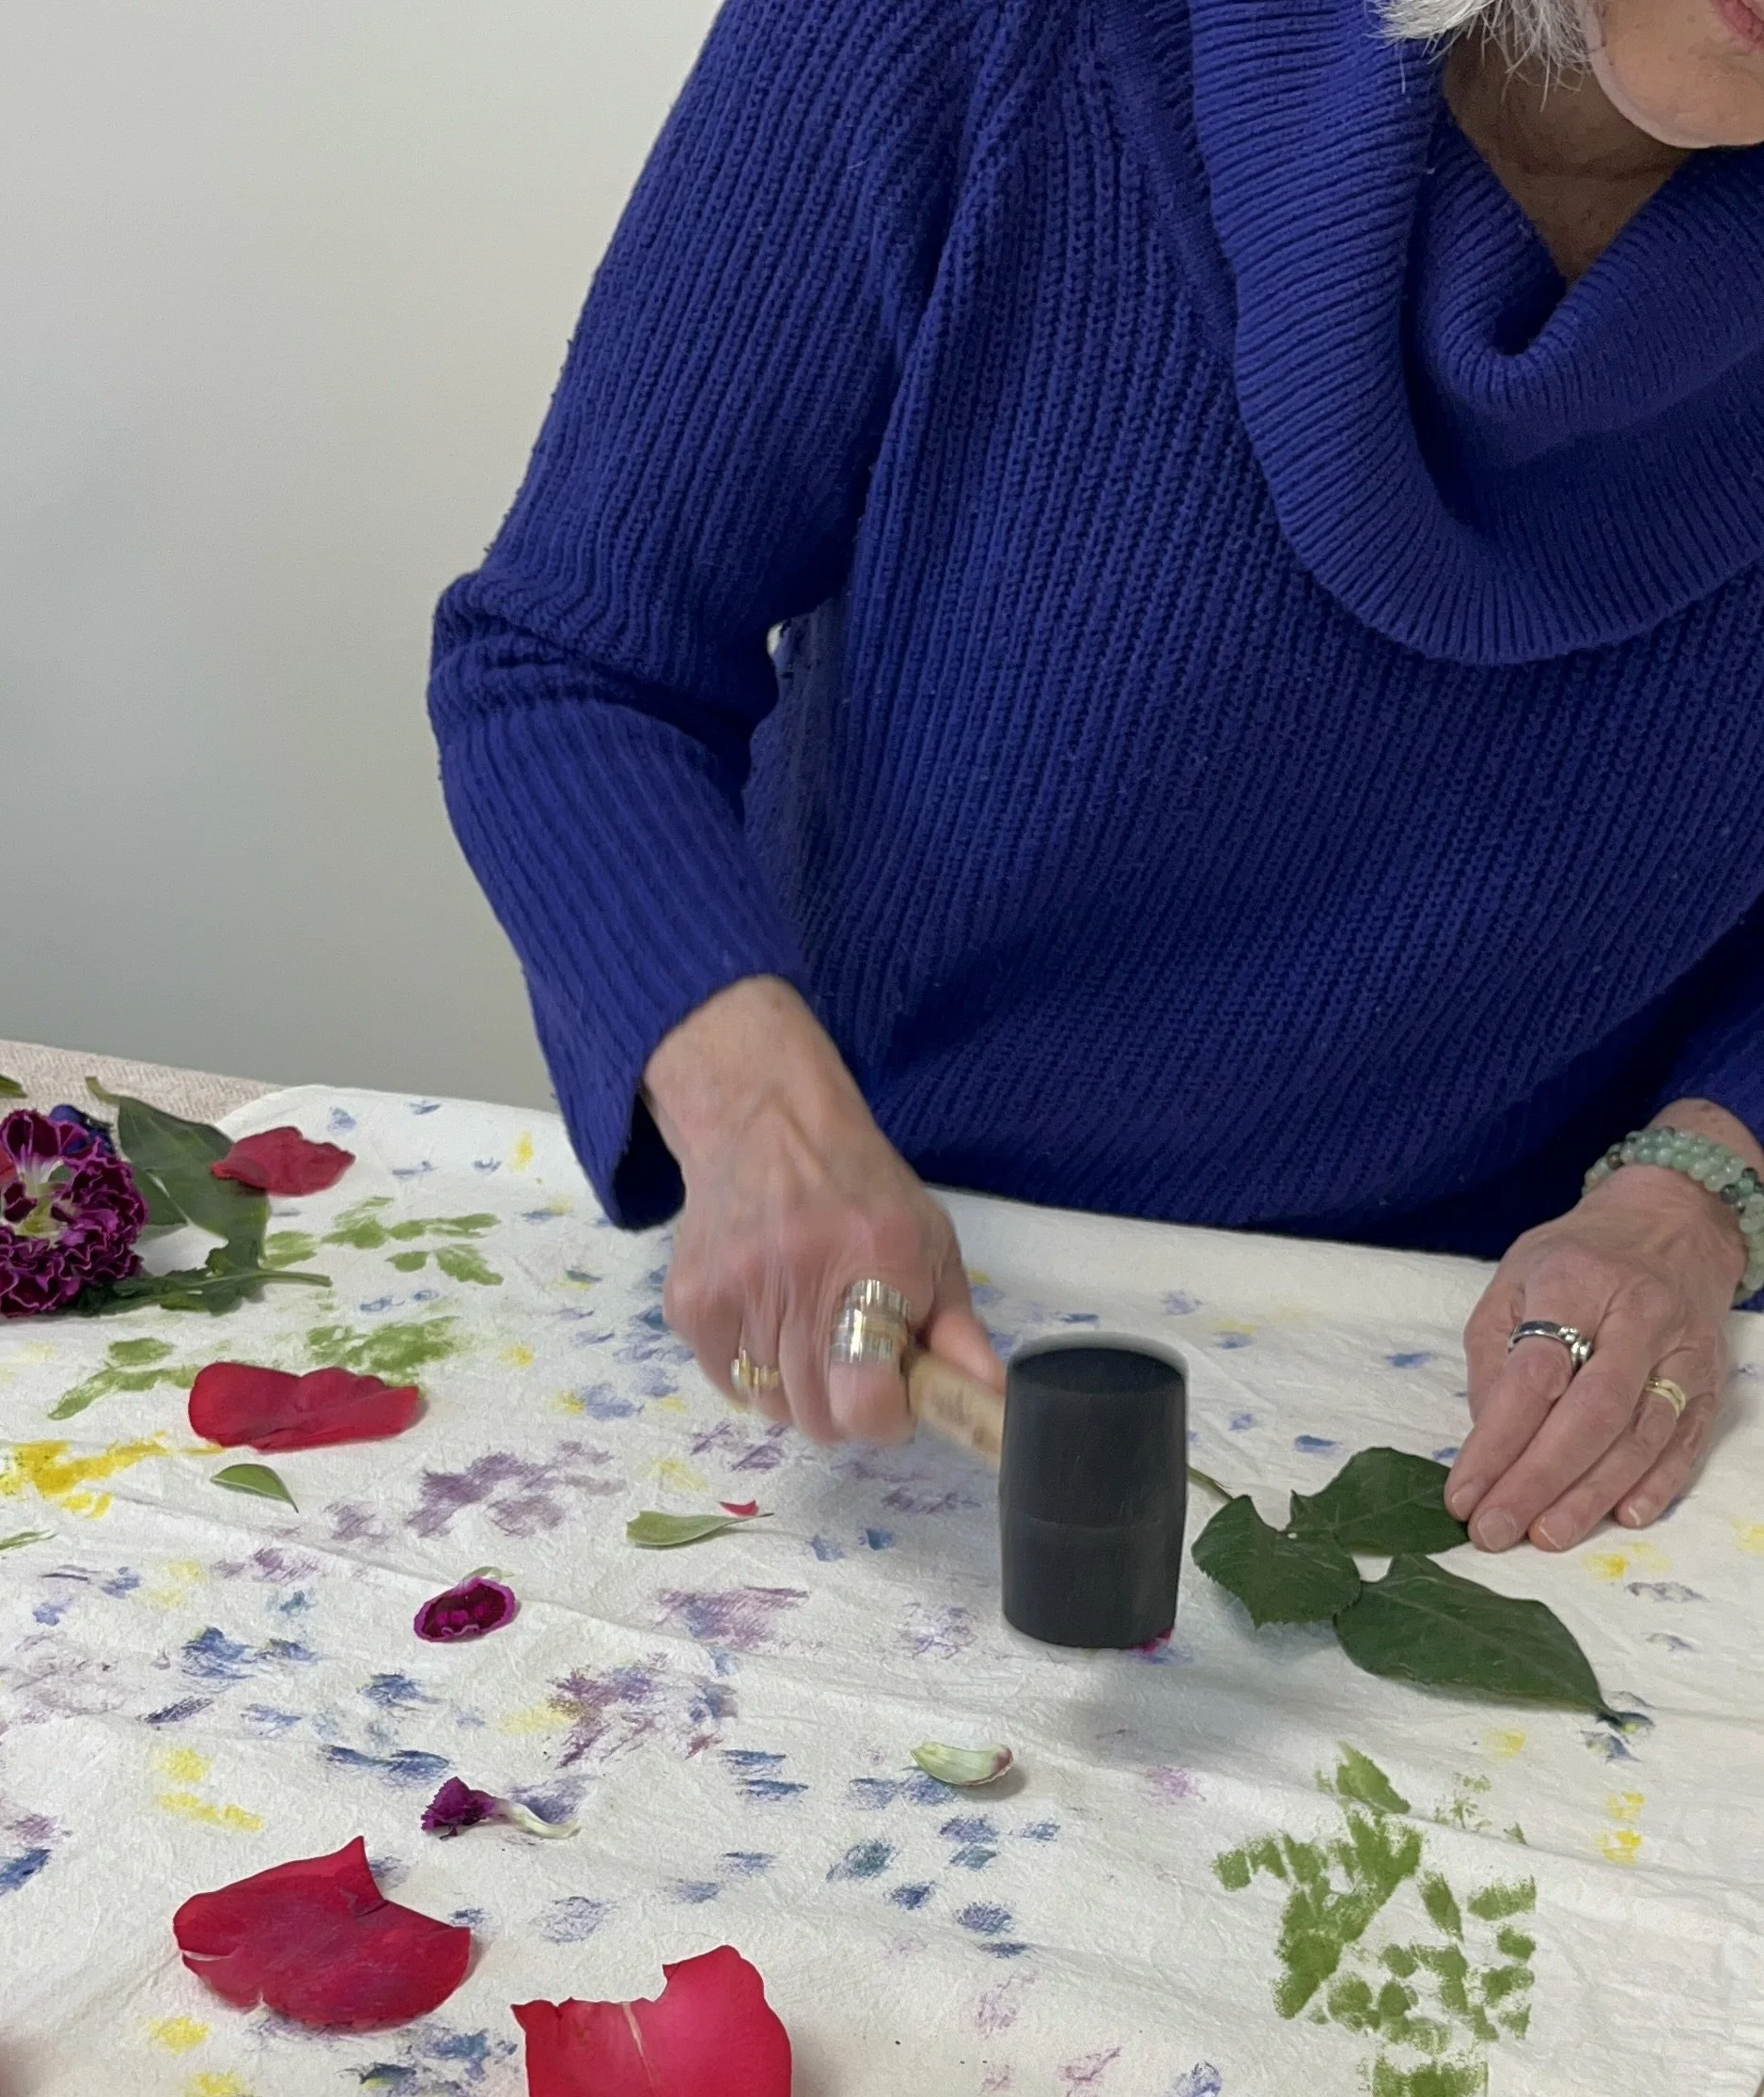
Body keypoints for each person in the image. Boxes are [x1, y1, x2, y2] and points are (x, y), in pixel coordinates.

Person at [430, 0, 1764, 1555]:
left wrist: (1693, 1188)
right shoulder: (965, 35)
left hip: (1525, 1392)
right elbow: (577, 665)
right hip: (900, 1307)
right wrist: (757, 1120)